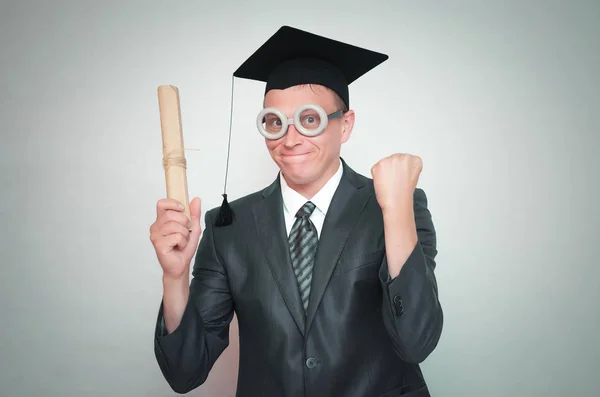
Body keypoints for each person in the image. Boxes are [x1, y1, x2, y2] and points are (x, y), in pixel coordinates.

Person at [149, 26, 443, 397]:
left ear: (345, 125)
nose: (289, 140)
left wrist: (396, 210)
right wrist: (174, 277)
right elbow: (184, 373)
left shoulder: (398, 205)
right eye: (274, 122)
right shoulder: (229, 227)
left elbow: (416, 341)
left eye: (309, 120)